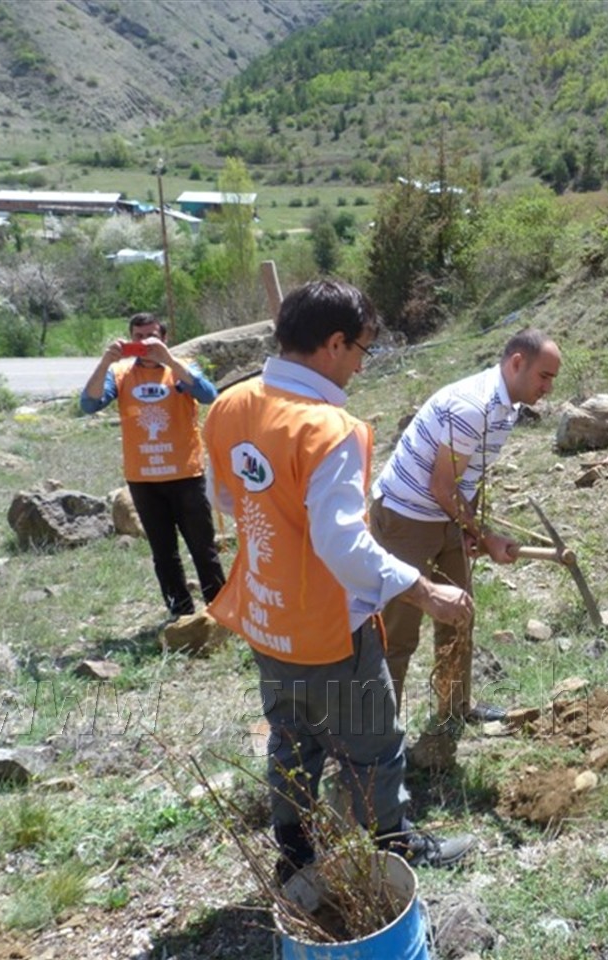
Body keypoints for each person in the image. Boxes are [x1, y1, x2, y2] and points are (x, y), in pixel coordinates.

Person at [203, 279, 476, 878]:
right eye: (361, 349)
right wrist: (424, 590)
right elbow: (342, 545)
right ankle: (394, 849)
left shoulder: (230, 405)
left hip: (264, 614)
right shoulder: (329, 429)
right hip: (328, 630)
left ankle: (295, 856)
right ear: (333, 344)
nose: (360, 364)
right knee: (374, 744)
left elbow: (223, 496)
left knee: (291, 739)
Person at [370, 328, 562, 736]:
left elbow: (465, 477)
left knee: (459, 613)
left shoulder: (507, 409)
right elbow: (442, 485)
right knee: (398, 632)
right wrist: (487, 536)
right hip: (406, 518)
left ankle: (455, 709)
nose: (548, 388)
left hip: (444, 516)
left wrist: (470, 529)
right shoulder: (473, 406)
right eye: (544, 376)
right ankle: (377, 735)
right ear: (517, 363)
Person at [80, 313, 225, 619]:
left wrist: (169, 360)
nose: (144, 343)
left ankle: (222, 612)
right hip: (143, 480)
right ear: (129, 339)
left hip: (186, 475)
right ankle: (180, 614)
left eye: (152, 337)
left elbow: (208, 394)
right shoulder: (120, 372)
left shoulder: (181, 366)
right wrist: (104, 362)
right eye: (138, 337)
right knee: (163, 553)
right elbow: (89, 404)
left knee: (203, 548)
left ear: (164, 338)